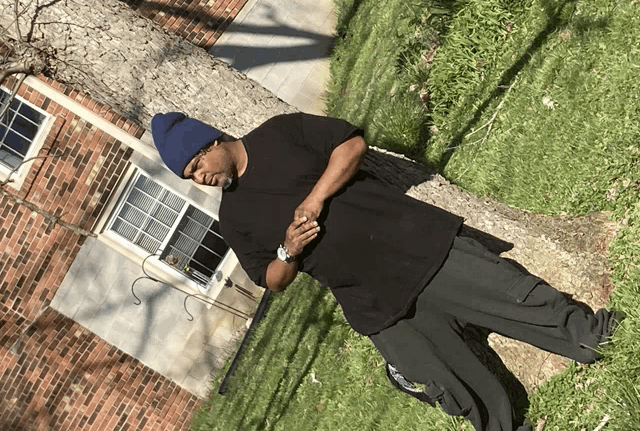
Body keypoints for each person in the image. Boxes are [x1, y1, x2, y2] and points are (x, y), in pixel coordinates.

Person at [151, 111, 623, 431]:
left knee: (513, 292)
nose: (199, 177)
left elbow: (351, 144)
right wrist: (288, 251)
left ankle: (592, 336)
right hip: (372, 301)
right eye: (189, 175)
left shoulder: (280, 132)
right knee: (447, 383)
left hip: (416, 243)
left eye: (197, 164)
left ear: (212, 141)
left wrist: (316, 199)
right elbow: (270, 279)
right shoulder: (232, 218)